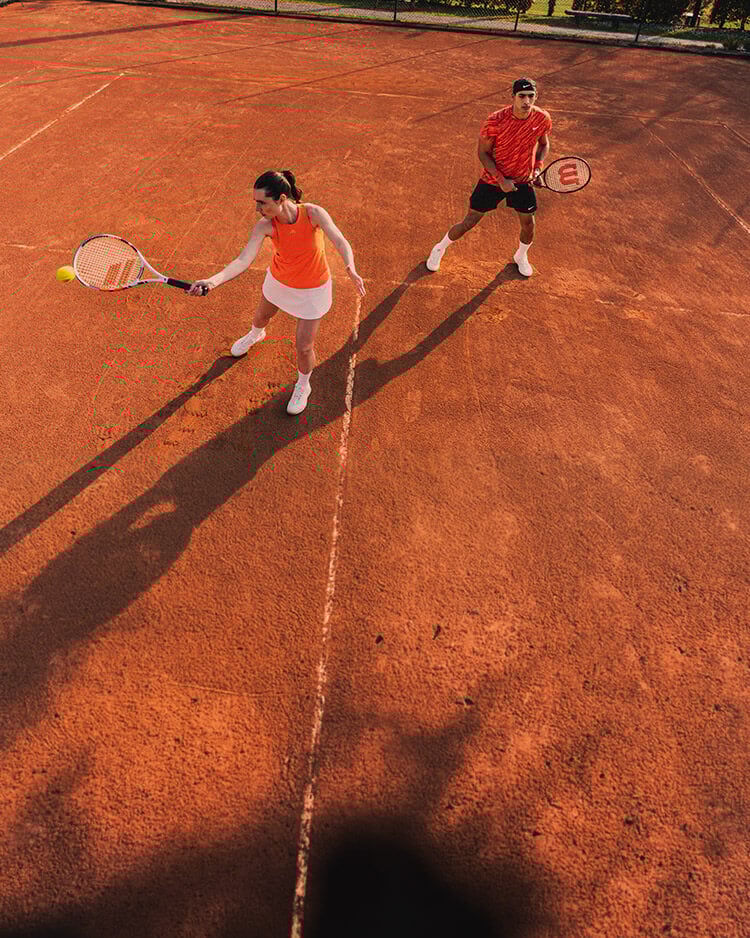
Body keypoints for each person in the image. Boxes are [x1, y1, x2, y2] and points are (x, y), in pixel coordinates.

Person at [189, 170, 366, 415]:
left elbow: (339, 240)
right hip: (279, 281)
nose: (257, 209)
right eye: (256, 202)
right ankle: (255, 335)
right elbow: (243, 260)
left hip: (312, 289)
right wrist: (212, 281)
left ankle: (303, 385)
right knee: (261, 317)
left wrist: (350, 267)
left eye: (262, 203)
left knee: (304, 346)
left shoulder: (313, 213)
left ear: (282, 198)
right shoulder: (265, 226)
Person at [426, 77, 552, 278]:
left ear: (536, 97)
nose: (526, 101)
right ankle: (440, 248)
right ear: (513, 96)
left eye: (531, 96)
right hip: (492, 180)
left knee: (529, 224)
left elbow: (544, 144)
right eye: (522, 96)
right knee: (470, 221)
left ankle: (521, 256)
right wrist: (501, 180)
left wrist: (537, 169)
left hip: (523, 179)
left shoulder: (542, 118)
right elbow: (483, 153)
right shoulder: (495, 121)